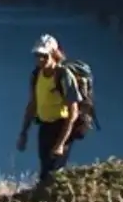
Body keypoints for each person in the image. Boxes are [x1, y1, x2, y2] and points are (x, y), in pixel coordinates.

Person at [16, 34, 84, 184]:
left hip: (61, 127)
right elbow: (32, 104)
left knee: (54, 175)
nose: (40, 59)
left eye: (44, 56)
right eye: (37, 55)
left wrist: (61, 143)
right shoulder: (36, 75)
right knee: (45, 171)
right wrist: (24, 133)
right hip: (45, 127)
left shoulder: (63, 76)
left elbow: (73, 112)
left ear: (53, 54)